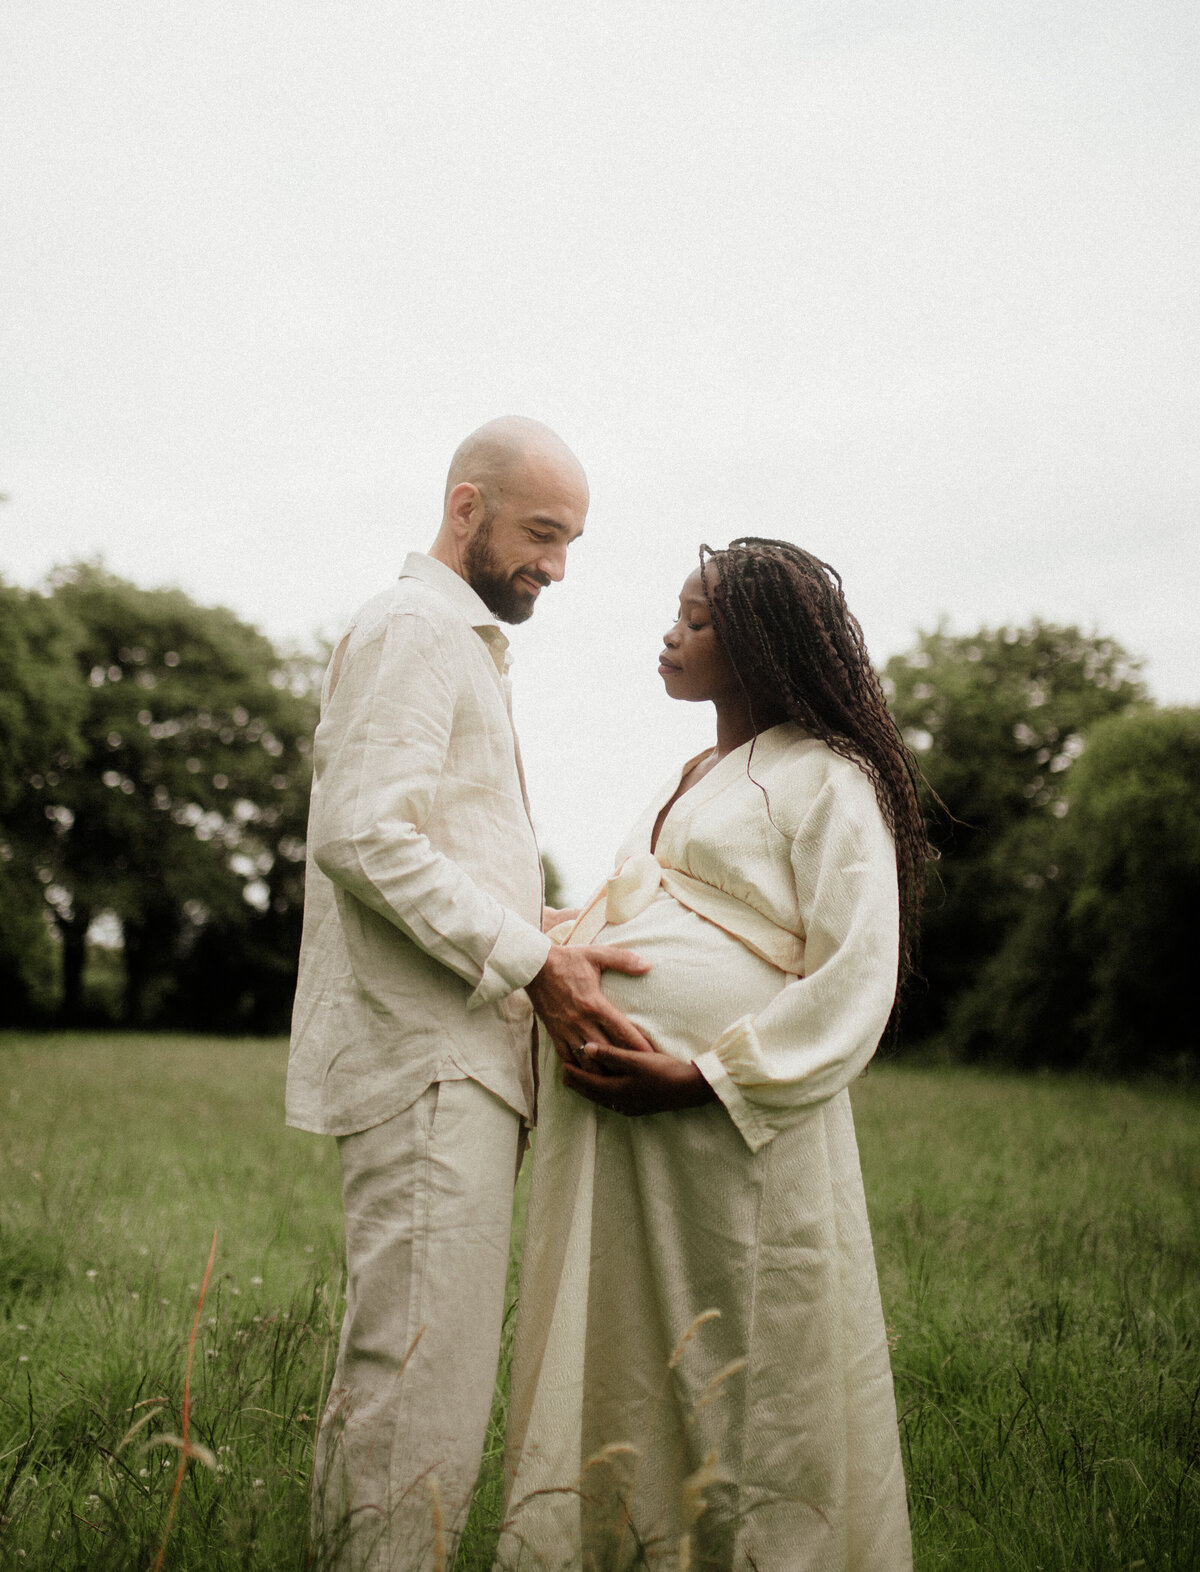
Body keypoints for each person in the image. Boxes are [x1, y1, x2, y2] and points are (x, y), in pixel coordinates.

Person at [500, 538, 927, 1571]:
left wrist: (705, 1071)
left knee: (738, 1353)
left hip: (731, 1130)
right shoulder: (699, 774)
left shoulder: (830, 777)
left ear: (751, 647)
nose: (669, 633)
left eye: (692, 620)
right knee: (638, 1344)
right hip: (630, 1129)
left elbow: (857, 967)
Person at [286, 416, 653, 1572]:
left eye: (572, 540)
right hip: (430, 1060)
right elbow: (362, 835)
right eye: (542, 533)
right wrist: (539, 963)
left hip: (455, 1058)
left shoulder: (453, 638)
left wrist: (555, 922)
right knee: (417, 1381)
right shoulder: (417, 627)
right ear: (465, 508)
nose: (556, 565)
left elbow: (429, 846)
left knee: (416, 1372)